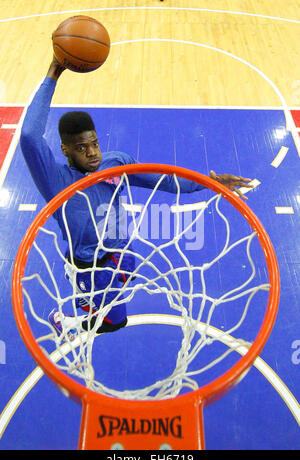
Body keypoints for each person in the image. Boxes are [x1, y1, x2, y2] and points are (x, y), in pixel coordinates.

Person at [20, 56, 252, 340]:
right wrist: (53, 72)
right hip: (89, 269)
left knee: (115, 308)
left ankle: (94, 306)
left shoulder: (115, 163)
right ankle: (65, 322)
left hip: (124, 253)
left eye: (94, 143)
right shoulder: (56, 181)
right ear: (65, 150)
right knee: (114, 322)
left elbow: (165, 181)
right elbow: (30, 136)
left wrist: (210, 182)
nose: (93, 153)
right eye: (82, 148)